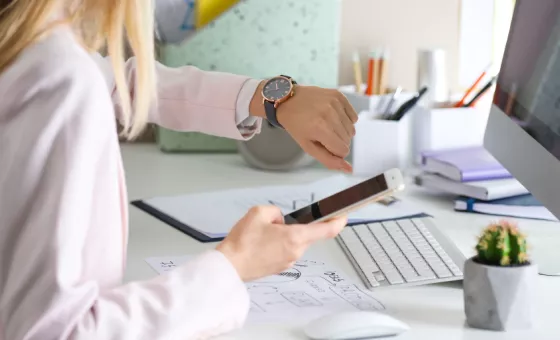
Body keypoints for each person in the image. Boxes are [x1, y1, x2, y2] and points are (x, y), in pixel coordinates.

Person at [0, 1, 358, 339]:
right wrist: (232, 268)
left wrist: (269, 98)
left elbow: (114, 81)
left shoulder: (25, 42)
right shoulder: (58, 75)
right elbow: (50, 331)